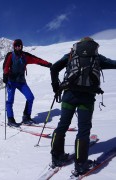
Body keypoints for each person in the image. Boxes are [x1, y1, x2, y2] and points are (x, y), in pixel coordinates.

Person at [50, 37, 116, 176]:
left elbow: (54, 67)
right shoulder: (96, 57)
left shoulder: (71, 55)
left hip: (69, 94)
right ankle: (81, 165)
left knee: (62, 125)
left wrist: (56, 86)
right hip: (87, 98)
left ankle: (56, 157)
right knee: (84, 130)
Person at [3, 39, 52, 126]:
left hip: (21, 82)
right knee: (10, 101)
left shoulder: (25, 56)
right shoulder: (10, 55)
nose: (18, 47)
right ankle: (11, 120)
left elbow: (37, 60)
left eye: (19, 46)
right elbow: (5, 66)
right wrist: (5, 76)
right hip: (11, 81)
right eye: (16, 46)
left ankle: (26, 117)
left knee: (30, 97)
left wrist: (48, 64)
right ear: (14, 47)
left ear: (22, 46)